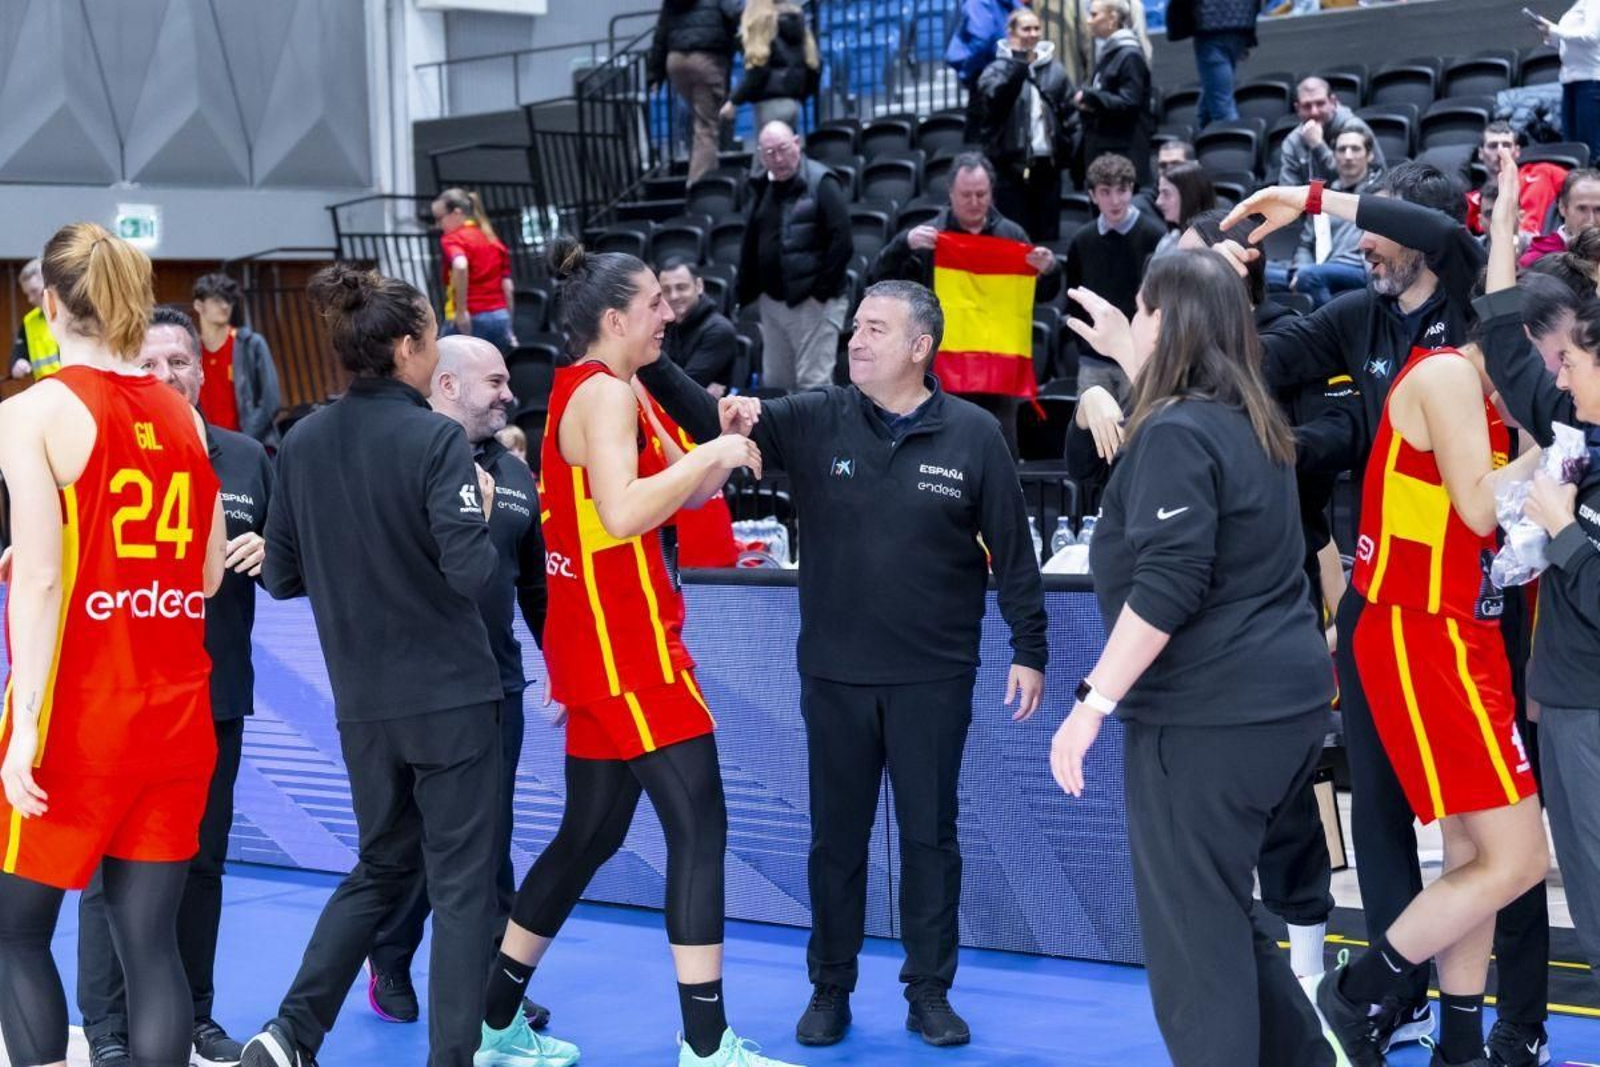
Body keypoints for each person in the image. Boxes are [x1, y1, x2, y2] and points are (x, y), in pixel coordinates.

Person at [637, 280, 1047, 1050]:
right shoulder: (814, 417)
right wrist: (652, 357)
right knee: (836, 840)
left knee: (931, 837)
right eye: (854, 325)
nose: (855, 339)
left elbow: (1015, 554)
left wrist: (1031, 648)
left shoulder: (973, 434)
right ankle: (830, 985)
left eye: (875, 329)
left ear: (920, 347)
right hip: (834, 675)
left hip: (935, 675)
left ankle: (929, 991)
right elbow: (711, 422)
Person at [1226, 172, 1556, 1061]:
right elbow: (1483, 511)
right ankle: (1363, 988)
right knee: (1515, 855)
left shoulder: (1484, 377)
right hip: (1418, 626)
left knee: (1475, 855)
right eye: (1560, 362)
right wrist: (1314, 201)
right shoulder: (1450, 372)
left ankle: (1460, 1038)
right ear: (1527, 337)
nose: (1563, 380)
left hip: (1466, 625)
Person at [472, 238, 791, 1067]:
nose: (668, 311)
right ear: (614, 318)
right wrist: (710, 455)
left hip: (607, 646)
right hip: (629, 651)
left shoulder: (613, 389)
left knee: (589, 834)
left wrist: (716, 451)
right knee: (700, 827)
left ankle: (493, 1021)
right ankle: (708, 1046)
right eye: (654, 301)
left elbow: (667, 490)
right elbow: (620, 513)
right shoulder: (605, 397)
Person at [1050, 250, 1338, 1066]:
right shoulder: (1252, 421)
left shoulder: (1177, 432)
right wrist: (1128, 357)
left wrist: (1091, 703)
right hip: (1281, 709)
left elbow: (1171, 583)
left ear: (1168, 325)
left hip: (1210, 716)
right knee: (1219, 915)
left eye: (1142, 311)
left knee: (1193, 949)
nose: (1132, 324)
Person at [242, 265, 504, 1067]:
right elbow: (471, 572)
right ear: (404, 347)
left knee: (382, 865)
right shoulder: (436, 438)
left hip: (363, 707)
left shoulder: (303, 438)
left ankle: (290, 1033)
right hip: (453, 699)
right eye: (429, 335)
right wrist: (482, 511)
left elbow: (282, 575)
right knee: (461, 886)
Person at [0, 223, 226, 1067]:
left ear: (50, 302)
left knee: (15, 932)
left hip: (78, 718)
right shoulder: (184, 416)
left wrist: (24, 727)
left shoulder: (31, 411)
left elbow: (44, 585)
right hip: (174, 717)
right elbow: (202, 578)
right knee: (150, 945)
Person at [76, 307, 273, 1067]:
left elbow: (292, 564)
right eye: (150, 363)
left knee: (201, 862)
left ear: (202, 366)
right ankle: (111, 1031)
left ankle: (193, 1015)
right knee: (110, 869)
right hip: (121, 698)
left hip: (215, 696)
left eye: (179, 362)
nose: (166, 377)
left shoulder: (249, 456)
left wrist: (269, 550)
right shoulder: (100, 452)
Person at [363, 335, 552, 1033]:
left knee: (489, 842)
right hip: (412, 689)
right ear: (445, 385)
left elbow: (533, 582)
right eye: (495, 381)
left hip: (497, 684)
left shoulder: (513, 469)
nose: (509, 393)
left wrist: (559, 662)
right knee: (411, 839)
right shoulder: (402, 459)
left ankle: (490, 984)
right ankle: (389, 955)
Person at [869, 152, 1058, 452]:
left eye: (981, 194)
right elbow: (879, 282)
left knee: (998, 456)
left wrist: (1049, 270)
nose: (974, 201)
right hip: (944, 369)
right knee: (944, 456)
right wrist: (903, 245)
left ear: (992, 192)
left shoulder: (1012, 236)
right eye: (966, 194)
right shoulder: (929, 237)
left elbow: (1043, 295)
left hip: (997, 373)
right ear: (950, 194)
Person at [738, 121, 852, 391]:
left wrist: (819, 293)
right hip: (773, 302)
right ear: (760, 155)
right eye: (769, 153)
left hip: (813, 302)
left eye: (783, 149)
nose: (778, 159)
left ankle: (816, 436)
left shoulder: (822, 181)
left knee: (813, 385)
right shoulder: (759, 185)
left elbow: (843, 241)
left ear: (797, 143)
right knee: (776, 385)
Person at [1064, 153, 1167, 402]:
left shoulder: (1155, 235)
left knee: (1136, 431)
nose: (1115, 200)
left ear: (1132, 189)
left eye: (1122, 190)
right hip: (1093, 359)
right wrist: (1087, 343)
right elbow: (1074, 296)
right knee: (1091, 433)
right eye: (1105, 192)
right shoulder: (1082, 240)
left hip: (1140, 356)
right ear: (1092, 195)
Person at [968, 7, 1074, 242]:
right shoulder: (995, 70)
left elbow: (1070, 116)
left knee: (1048, 240)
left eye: (1037, 28)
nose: (1033, 34)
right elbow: (994, 101)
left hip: (1048, 168)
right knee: (1016, 241)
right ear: (1011, 33)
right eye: (1026, 28)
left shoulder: (1055, 70)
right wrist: (1018, 64)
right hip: (1010, 169)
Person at [648, 0, 742, 184]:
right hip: (707, 58)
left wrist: (654, 74)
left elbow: (661, 33)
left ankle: (709, 175)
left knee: (699, 123)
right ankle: (698, 188)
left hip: (676, 61)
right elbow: (737, 13)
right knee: (706, 128)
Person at [1288, 128, 1380, 308]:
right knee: (1256, 273)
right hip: (1321, 267)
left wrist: (1306, 273)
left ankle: (1333, 331)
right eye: (1341, 149)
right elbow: (1305, 244)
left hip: (1361, 268)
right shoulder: (1320, 195)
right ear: (1334, 156)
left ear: (1369, 156)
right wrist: (1299, 271)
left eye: (1355, 149)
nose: (1348, 156)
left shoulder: (1379, 191)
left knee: (1310, 276)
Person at [190, 272, 283, 448]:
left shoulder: (251, 344)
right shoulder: (191, 352)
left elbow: (271, 400)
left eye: (229, 300)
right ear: (199, 305)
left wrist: (245, 440)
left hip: (248, 445)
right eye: (217, 300)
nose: (225, 306)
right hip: (206, 449)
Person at [1074, 0, 1153, 186]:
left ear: (1112, 18)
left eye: (1094, 15)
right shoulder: (1110, 53)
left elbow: (1129, 102)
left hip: (1123, 154)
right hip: (1104, 151)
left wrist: (1090, 97)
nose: (1088, 21)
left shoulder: (1130, 55)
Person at [432, 188, 517, 356]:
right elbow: (508, 287)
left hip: (472, 318)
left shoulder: (453, 239)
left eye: (439, 218)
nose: (438, 225)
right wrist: (509, 327)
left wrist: (461, 311)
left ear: (456, 213)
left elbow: (460, 265)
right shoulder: (492, 239)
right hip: (500, 318)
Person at [718, 0, 819, 131]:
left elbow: (758, 69)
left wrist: (734, 101)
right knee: (788, 149)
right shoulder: (799, 23)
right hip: (793, 103)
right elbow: (814, 67)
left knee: (769, 150)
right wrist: (800, 96)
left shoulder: (762, 22)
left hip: (769, 105)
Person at [1164, 0, 1259, 129]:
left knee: (1222, 107)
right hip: (1241, 24)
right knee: (1210, 102)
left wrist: (1177, 26)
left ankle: (1231, 143)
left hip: (1211, 27)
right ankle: (1207, 142)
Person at [1277, 77, 1387, 186]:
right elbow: (1287, 188)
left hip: (1356, 199)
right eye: (1307, 106)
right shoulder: (1292, 142)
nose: (1314, 112)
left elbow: (1377, 178)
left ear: (1333, 102)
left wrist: (1318, 146)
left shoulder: (1355, 129)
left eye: (1320, 103)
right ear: (1297, 109)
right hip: (1310, 202)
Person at [1465, 121, 1566, 239]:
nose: (1500, 152)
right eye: (1493, 146)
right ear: (1481, 153)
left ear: (1517, 151)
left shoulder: (1543, 173)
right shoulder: (1473, 200)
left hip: (1543, 252)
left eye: (1506, 145)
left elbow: (1581, 188)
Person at [1528, 1, 1600, 157]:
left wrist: (1555, 29)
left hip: (1591, 81)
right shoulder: (1575, 7)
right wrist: (1551, 34)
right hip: (1570, 81)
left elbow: (1591, 37)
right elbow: (1565, 43)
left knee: (1589, 148)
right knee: (1571, 148)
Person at [659, 258, 739, 394]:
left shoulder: (719, 330)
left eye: (681, 287)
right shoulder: (664, 323)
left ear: (699, 286)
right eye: (666, 290)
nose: (673, 296)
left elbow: (683, 388)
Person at [1520, 167, 1600, 267]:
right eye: (1582, 209)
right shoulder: (1536, 260)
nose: (1591, 220)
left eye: (1598, 210)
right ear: (1562, 207)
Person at [1151, 160, 1216, 258]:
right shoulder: (1170, 239)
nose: (1158, 201)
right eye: (1159, 193)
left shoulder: (1211, 247)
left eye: (1166, 193)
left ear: (1189, 196)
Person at [9, 258, 59, 380]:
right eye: (27, 294)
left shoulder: (73, 314)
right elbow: (17, 355)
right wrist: (17, 365)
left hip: (75, 389)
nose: (30, 299)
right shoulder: (29, 321)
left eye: (34, 291)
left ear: (49, 283)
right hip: (45, 392)